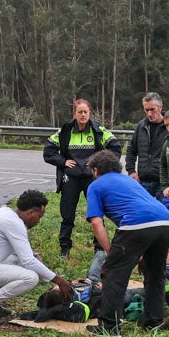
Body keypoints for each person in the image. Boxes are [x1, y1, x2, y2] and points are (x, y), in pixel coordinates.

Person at [82, 150, 169, 336]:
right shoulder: (130, 181)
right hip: (167, 222)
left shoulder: (96, 185)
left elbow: (97, 222)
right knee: (155, 274)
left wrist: (110, 252)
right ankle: (154, 322)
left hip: (137, 224)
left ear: (96, 169)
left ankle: (109, 327)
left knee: (113, 274)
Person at [0, 189, 74, 324]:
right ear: (31, 212)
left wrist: (35, 257)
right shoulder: (13, 223)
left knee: (25, 264)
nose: (38, 221)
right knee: (31, 278)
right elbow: (28, 261)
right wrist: (59, 281)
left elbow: (23, 255)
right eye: (39, 217)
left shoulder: (7, 213)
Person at [42, 99, 121, 258]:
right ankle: (65, 248)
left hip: (91, 179)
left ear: (89, 113)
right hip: (71, 178)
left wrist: (101, 164)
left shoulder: (98, 130)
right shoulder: (65, 130)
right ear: (75, 114)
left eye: (86, 112)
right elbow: (48, 151)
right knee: (67, 214)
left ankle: (99, 248)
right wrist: (63, 162)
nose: (83, 115)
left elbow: (115, 148)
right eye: (80, 112)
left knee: (96, 214)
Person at [124, 92, 168, 199]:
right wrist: (131, 171)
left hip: (163, 184)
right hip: (143, 182)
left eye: (152, 110)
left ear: (160, 106)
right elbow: (131, 150)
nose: (149, 114)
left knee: (161, 215)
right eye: (146, 110)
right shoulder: (141, 126)